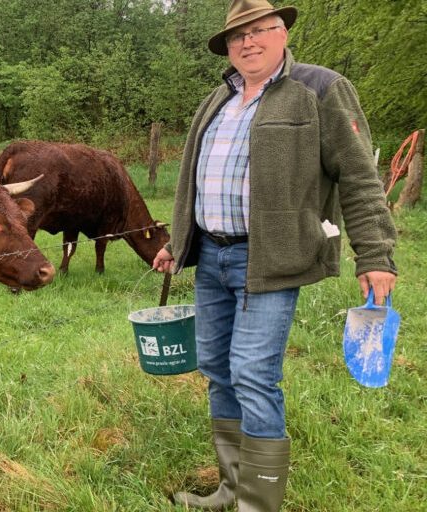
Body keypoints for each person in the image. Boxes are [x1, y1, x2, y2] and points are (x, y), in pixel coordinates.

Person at [151, 1, 397, 510]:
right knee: (218, 368)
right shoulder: (217, 100)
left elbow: (359, 177)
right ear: (228, 46)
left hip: (270, 258)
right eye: (238, 36)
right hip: (211, 259)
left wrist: (375, 254)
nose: (250, 42)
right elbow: (198, 183)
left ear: (283, 33)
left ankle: (258, 505)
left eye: (262, 29)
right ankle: (231, 488)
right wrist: (179, 242)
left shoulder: (321, 90)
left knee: (252, 373)